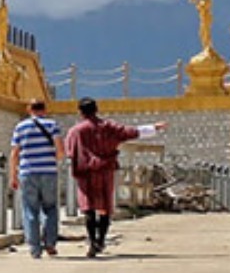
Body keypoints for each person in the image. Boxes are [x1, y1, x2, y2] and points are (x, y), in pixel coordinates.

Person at [63, 98, 164, 257]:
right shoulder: (108, 127)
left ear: (80, 112)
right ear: (96, 110)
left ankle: (92, 242)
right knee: (105, 207)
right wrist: (153, 128)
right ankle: (101, 240)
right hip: (105, 170)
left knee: (88, 207)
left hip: (86, 173)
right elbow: (129, 132)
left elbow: (70, 152)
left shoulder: (76, 131)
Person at [9, 98, 62, 259]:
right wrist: (52, 160)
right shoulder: (52, 125)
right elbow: (60, 151)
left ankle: (34, 248)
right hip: (48, 172)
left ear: (29, 110)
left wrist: (13, 176)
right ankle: (50, 242)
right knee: (50, 208)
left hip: (27, 172)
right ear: (44, 110)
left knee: (30, 210)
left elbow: (14, 154)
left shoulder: (20, 127)